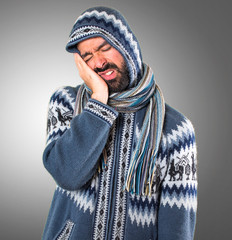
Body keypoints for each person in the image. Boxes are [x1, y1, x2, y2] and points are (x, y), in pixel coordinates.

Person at [42, 6, 197, 240]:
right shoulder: (65, 103)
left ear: (127, 48)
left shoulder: (175, 130)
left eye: (105, 48)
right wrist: (98, 101)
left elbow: (177, 225)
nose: (99, 62)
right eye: (87, 57)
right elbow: (67, 175)